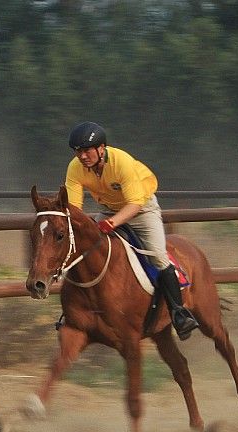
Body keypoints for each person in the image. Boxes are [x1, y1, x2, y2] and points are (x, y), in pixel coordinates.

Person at [64, 121, 199, 340]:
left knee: (157, 256)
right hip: (109, 211)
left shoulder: (122, 162)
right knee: (85, 249)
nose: (82, 156)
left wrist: (113, 222)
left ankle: (179, 314)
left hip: (142, 210)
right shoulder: (74, 168)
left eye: (86, 150)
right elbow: (73, 207)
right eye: (77, 151)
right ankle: (73, 312)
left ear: (101, 148)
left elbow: (135, 204)